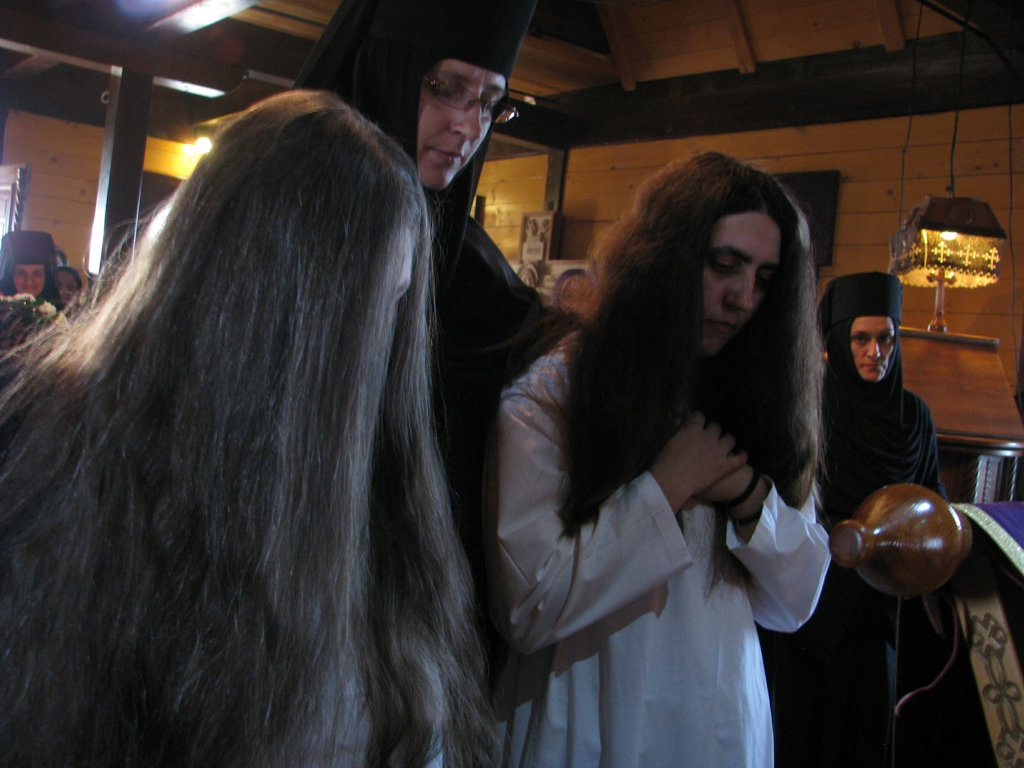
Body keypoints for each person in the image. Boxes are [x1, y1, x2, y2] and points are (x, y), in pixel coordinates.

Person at [0, 90, 493, 768]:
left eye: (399, 300)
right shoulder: (67, 476)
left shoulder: (378, 487)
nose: (379, 351)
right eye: (371, 306)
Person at [485, 152, 831, 768]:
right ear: (664, 257)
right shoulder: (558, 391)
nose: (743, 297)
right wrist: (666, 484)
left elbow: (794, 603)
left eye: (764, 278)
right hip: (586, 711)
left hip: (716, 719)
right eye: (724, 264)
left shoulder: (758, 399)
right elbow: (529, 608)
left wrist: (748, 495)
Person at [298, 0, 544, 661]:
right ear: (386, 71)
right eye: (445, 88)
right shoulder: (287, 229)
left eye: (489, 103)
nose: (468, 125)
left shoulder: (473, 263)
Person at [767, 271, 947, 768]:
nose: (875, 352)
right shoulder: (813, 409)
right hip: (815, 602)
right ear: (838, 342)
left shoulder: (914, 418)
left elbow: (931, 498)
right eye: (861, 339)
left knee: (867, 734)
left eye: (886, 338)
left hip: (883, 604)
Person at [0, 230, 63, 307]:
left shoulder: (59, 311)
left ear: (46, 276)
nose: (29, 282)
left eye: (37, 274)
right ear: (11, 275)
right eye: (21, 274)